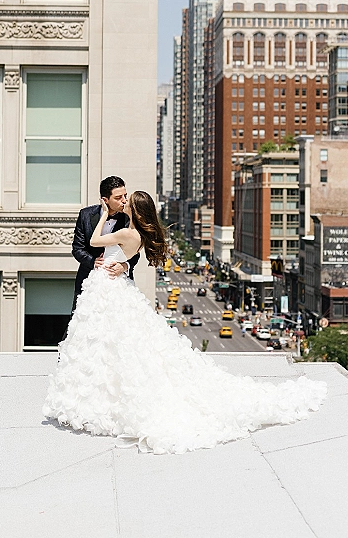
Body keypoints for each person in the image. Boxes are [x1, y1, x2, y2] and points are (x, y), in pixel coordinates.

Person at [44, 190, 327, 455]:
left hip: (108, 287)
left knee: (111, 338)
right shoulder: (138, 234)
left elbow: (94, 242)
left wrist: (106, 214)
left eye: (128, 200)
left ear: (135, 211)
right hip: (112, 286)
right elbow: (126, 255)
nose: (124, 201)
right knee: (115, 339)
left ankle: (102, 396)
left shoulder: (125, 231)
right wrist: (125, 263)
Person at [70, 175, 139, 313]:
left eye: (125, 195)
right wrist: (93, 261)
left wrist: (125, 265)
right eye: (118, 198)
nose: (125, 201)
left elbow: (136, 252)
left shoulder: (129, 218)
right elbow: (77, 248)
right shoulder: (85, 215)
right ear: (105, 200)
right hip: (88, 279)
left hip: (118, 282)